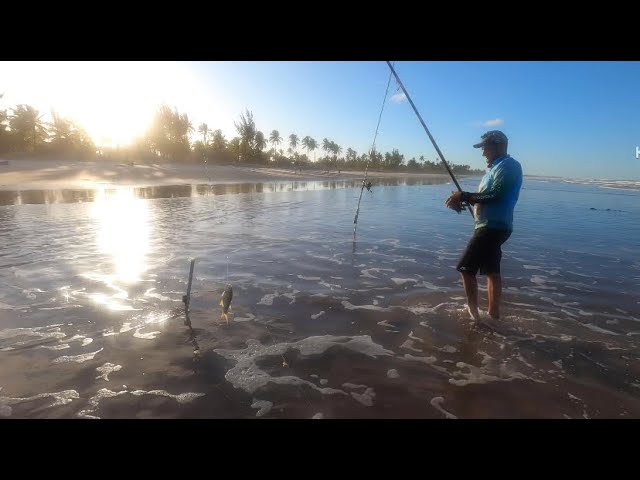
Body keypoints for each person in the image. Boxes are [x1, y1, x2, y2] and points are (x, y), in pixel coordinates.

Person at [445, 130, 523, 326]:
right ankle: (493, 316)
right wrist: (464, 201)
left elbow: (495, 195)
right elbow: (484, 198)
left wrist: (464, 196)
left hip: (493, 227)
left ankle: (474, 315)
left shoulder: (509, 166)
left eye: (485, 148)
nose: (483, 153)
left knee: (465, 268)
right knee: (491, 270)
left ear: (498, 146)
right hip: (491, 225)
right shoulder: (494, 168)